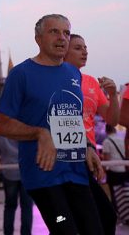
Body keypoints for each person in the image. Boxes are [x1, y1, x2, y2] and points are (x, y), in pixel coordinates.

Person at [0, 14, 105, 234]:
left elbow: (72, 120)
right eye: (54, 31)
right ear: (38, 38)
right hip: (44, 175)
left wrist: (88, 147)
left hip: (76, 170)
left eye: (66, 32)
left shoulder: (73, 73)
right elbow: (2, 125)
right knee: (66, 230)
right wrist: (40, 133)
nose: (62, 38)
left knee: (96, 228)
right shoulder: (21, 74)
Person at [64, 33, 118, 233]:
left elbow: (112, 120)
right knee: (98, 217)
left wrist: (113, 96)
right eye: (78, 47)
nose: (84, 51)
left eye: (85, 47)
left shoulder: (92, 83)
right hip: (70, 157)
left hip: (89, 156)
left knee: (101, 217)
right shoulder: (57, 80)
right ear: (64, 50)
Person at [0, 128, 33, 235]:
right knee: (26, 207)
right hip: (26, 170)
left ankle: (8, 233)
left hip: (8, 171)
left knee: (9, 207)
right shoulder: (24, 120)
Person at [102, 124, 129, 223]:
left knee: (115, 195)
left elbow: (107, 159)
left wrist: (103, 171)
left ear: (106, 131)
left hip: (114, 171)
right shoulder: (122, 139)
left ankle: (118, 215)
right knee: (126, 192)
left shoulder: (106, 141)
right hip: (124, 169)